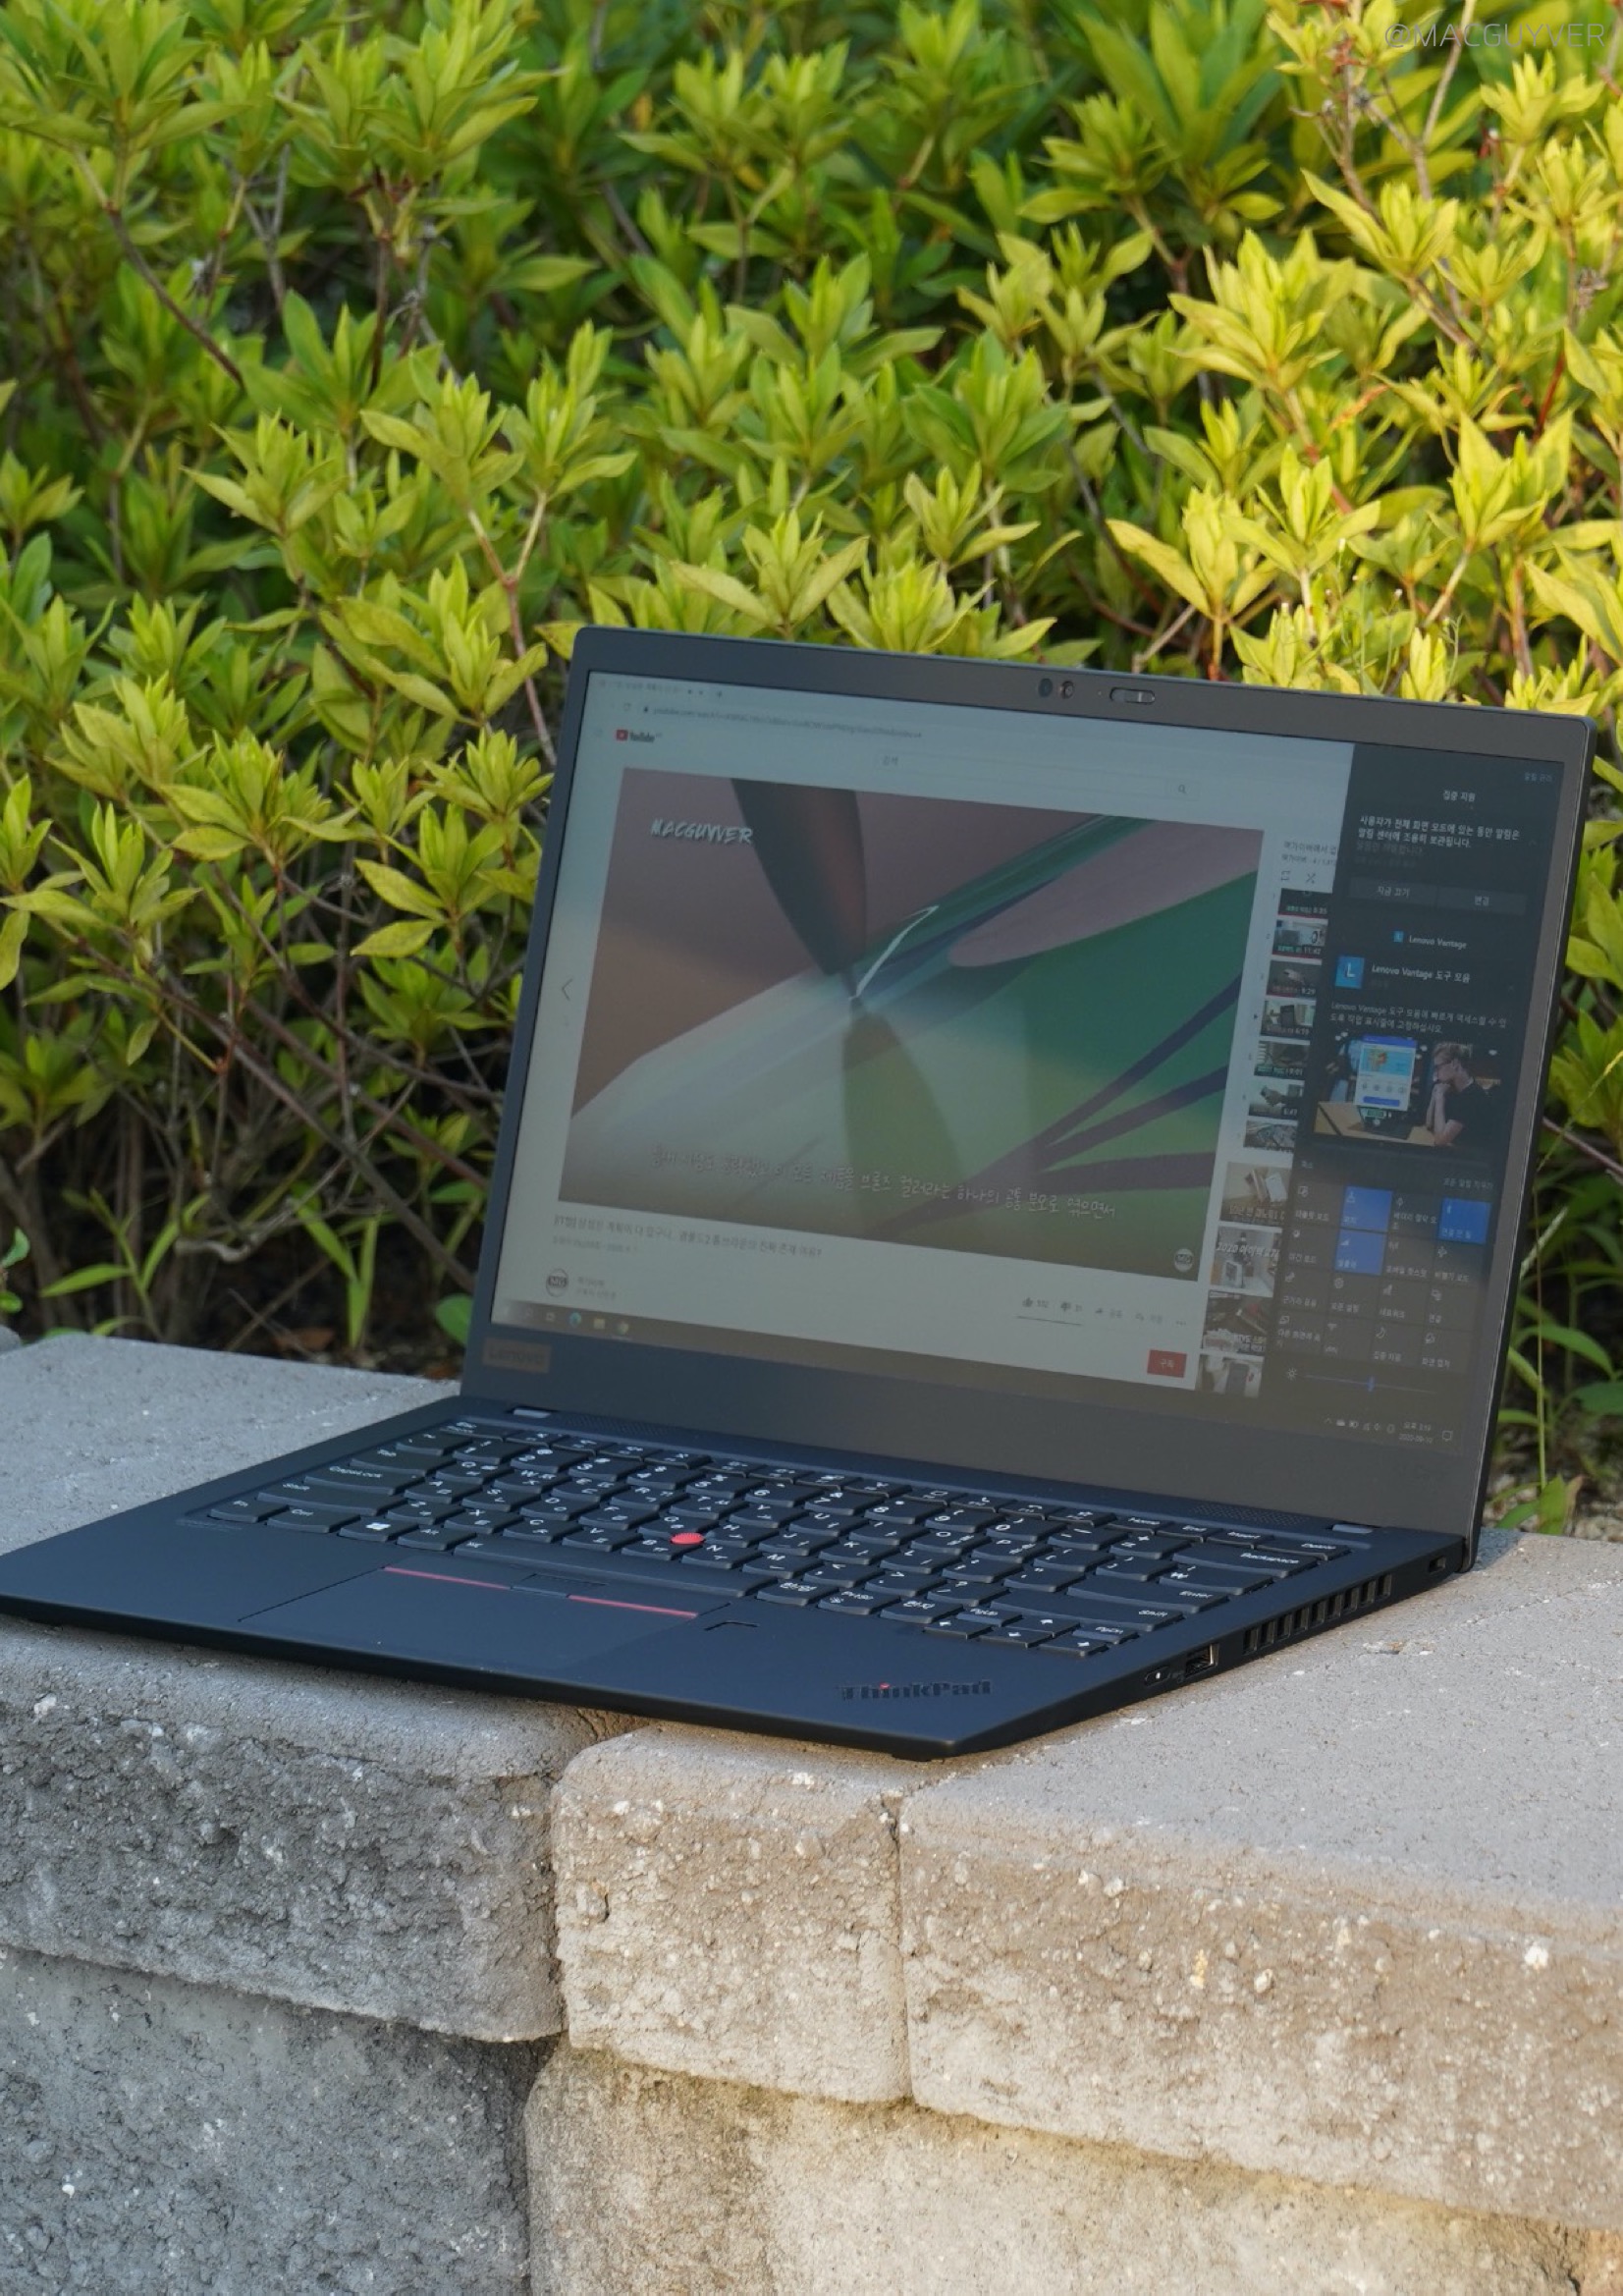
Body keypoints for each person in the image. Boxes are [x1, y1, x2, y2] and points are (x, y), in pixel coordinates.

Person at [1425, 1043, 1502, 1156]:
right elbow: (1428, 1124)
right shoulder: (1450, 1089)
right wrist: (1434, 1095)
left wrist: (1440, 1098)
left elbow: (1440, 1141)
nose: (1436, 1074)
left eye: (1438, 1067)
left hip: (1471, 1159)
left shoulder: (1472, 1096)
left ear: (1455, 1064)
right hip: (1454, 1152)